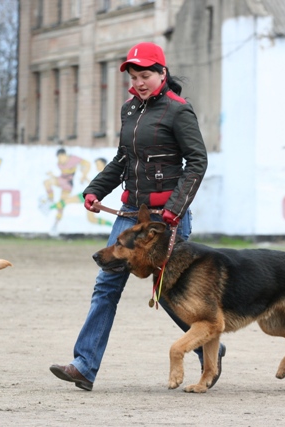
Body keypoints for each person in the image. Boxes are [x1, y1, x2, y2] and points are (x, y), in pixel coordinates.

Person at [50, 42, 225, 391]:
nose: (139, 82)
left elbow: (197, 162)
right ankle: (84, 365)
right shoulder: (129, 110)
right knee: (106, 285)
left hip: (165, 221)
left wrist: (174, 210)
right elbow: (122, 160)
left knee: (170, 292)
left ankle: (207, 347)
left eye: (145, 75)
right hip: (131, 214)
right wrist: (95, 190)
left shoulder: (179, 111)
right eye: (133, 77)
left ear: (162, 73)